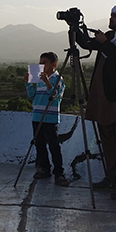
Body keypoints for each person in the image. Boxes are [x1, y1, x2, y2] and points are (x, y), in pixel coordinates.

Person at [78, 4, 116, 201]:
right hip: (104, 97)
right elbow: (87, 44)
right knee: (108, 141)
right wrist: (76, 27)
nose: (110, 19)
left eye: (114, 16)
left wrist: (105, 42)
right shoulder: (109, 36)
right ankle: (112, 178)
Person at [23, 52, 68, 186]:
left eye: (44, 63)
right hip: (37, 115)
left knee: (54, 145)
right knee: (39, 144)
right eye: (40, 63)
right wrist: (28, 84)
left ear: (53, 65)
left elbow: (54, 95)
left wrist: (47, 82)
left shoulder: (57, 79)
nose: (42, 65)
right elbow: (33, 97)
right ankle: (44, 168)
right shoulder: (39, 80)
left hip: (50, 117)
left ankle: (59, 172)